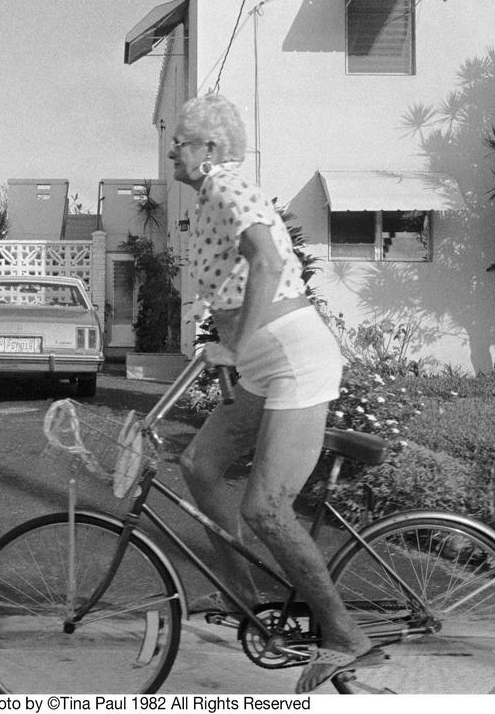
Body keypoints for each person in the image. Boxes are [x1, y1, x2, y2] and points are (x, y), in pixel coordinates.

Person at [169, 94, 381, 693]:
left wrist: (234, 347)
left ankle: (344, 634)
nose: (172, 151)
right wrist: (230, 349)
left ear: (209, 150)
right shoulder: (213, 197)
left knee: (266, 508)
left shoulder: (226, 185)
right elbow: (240, 283)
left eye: (180, 142)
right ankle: (243, 596)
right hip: (263, 363)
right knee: (199, 465)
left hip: (291, 356)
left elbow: (264, 263)